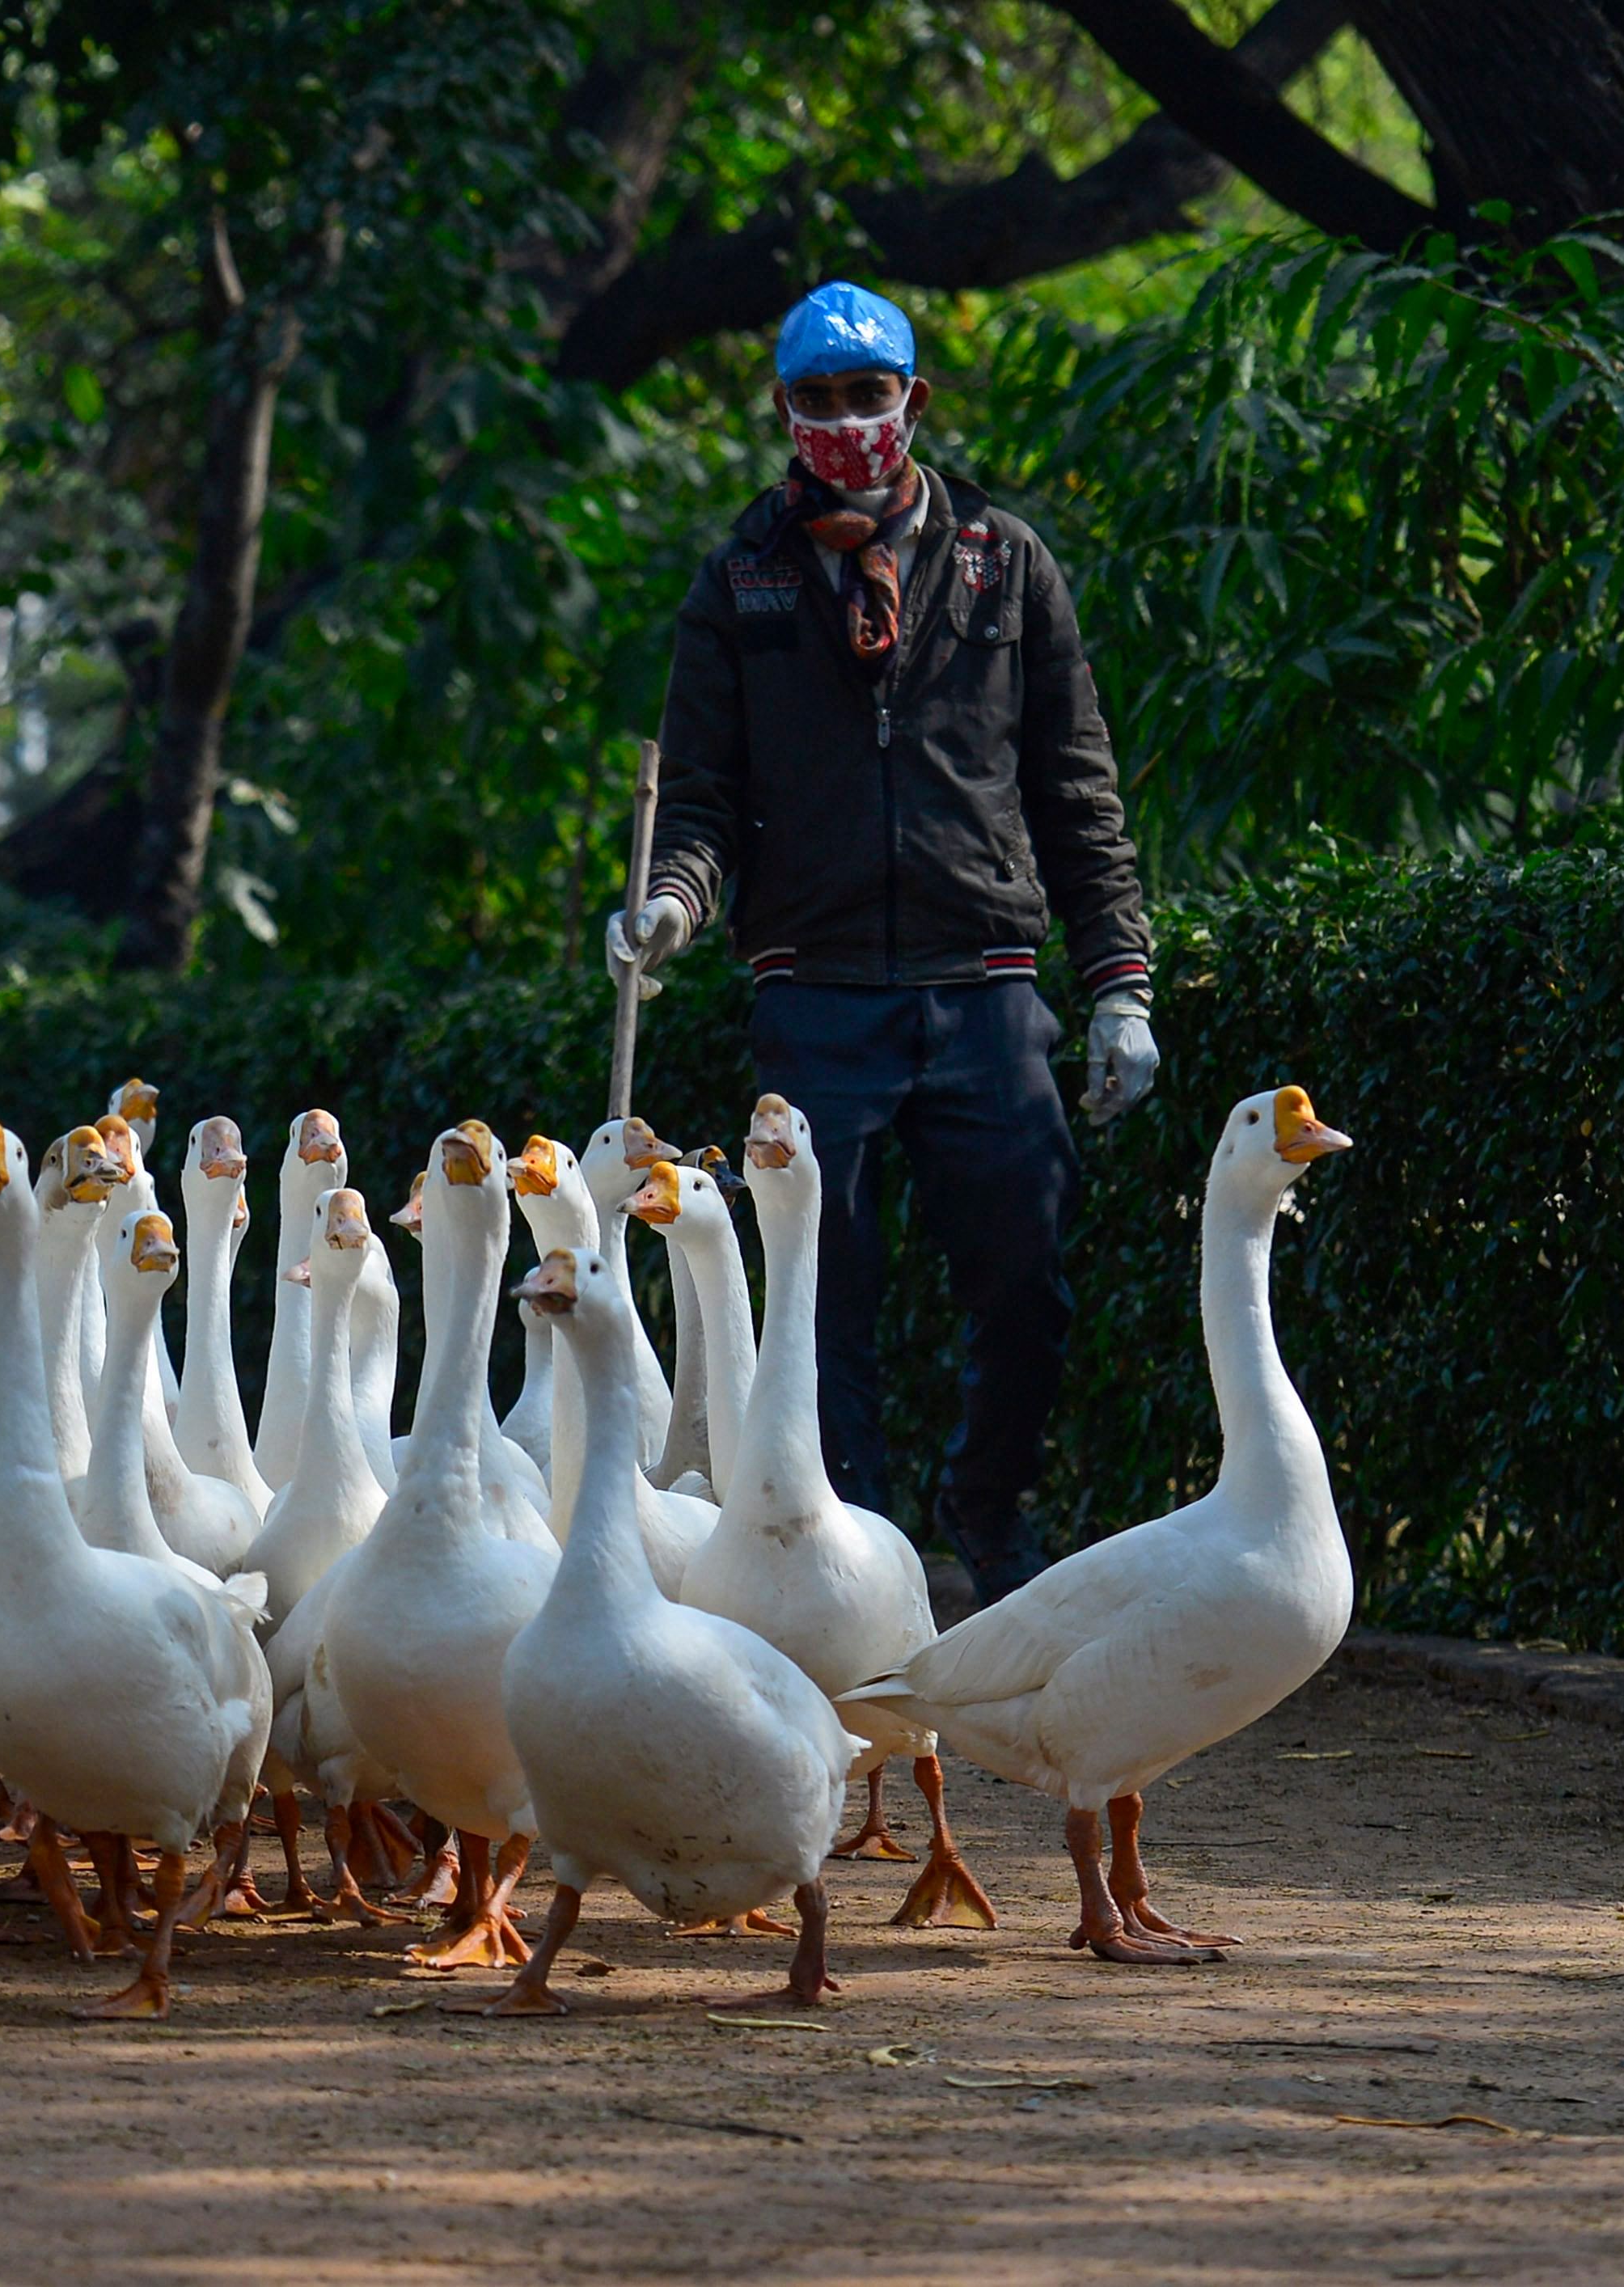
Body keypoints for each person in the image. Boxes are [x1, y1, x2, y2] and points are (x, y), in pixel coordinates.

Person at [608, 280, 1157, 1603]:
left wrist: (1122, 987)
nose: (847, 421)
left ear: (915, 400)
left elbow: (1074, 787)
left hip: (988, 986)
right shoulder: (738, 580)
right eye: (819, 400)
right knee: (818, 1295)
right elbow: (698, 803)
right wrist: (670, 903)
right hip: (817, 992)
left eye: (870, 396)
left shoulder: (1004, 561)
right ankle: (859, 1558)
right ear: (784, 412)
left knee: (1026, 1265)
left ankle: (989, 1496)